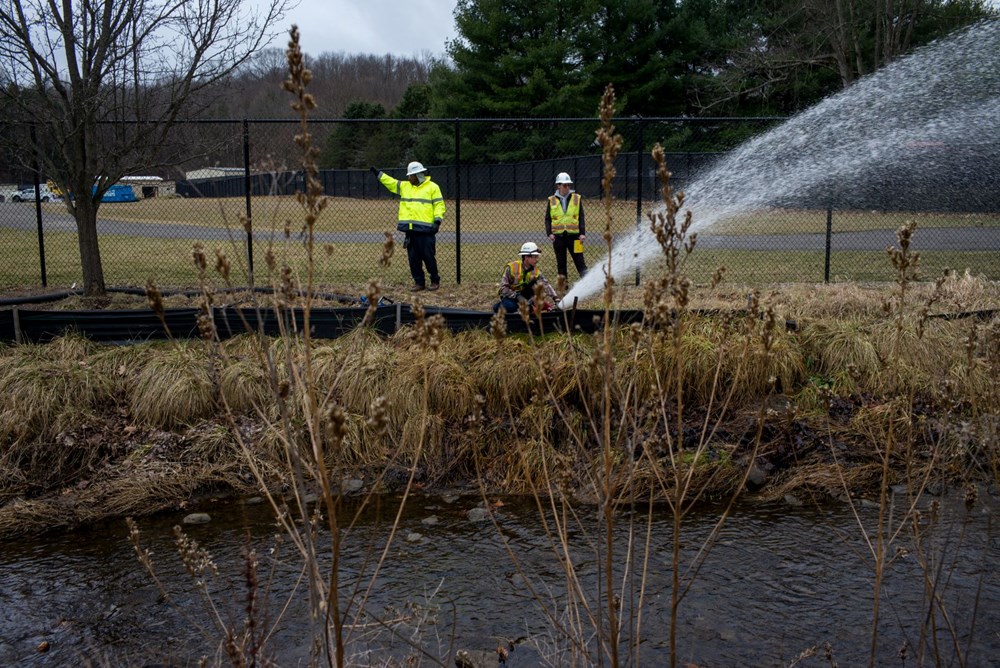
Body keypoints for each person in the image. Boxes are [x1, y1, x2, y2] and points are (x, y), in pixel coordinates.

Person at [370, 161, 445, 292]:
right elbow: (391, 183)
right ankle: (419, 282)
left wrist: (437, 221)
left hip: (426, 231)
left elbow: (439, 205)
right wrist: (378, 174)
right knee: (413, 259)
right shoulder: (405, 186)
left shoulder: (433, 187)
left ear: (418, 175)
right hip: (411, 231)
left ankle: (434, 280)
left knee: (428, 257)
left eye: (411, 175)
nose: (409, 178)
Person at [493, 242, 559, 314]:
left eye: (537, 257)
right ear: (526, 257)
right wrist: (517, 296)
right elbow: (503, 288)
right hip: (511, 297)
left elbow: (546, 285)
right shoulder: (512, 267)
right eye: (535, 257)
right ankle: (499, 307)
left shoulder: (536, 272)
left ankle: (528, 309)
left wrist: (556, 299)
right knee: (510, 307)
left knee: (534, 302)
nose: (537, 260)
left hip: (526, 298)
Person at [545, 172, 586, 280]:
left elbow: (581, 217)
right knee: (561, 264)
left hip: (575, 237)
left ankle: (586, 281)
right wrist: (549, 233)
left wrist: (582, 233)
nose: (567, 187)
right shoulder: (551, 200)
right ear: (558, 185)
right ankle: (563, 286)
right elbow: (548, 218)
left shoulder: (576, 198)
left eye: (568, 185)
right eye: (564, 185)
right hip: (558, 238)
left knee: (580, 261)